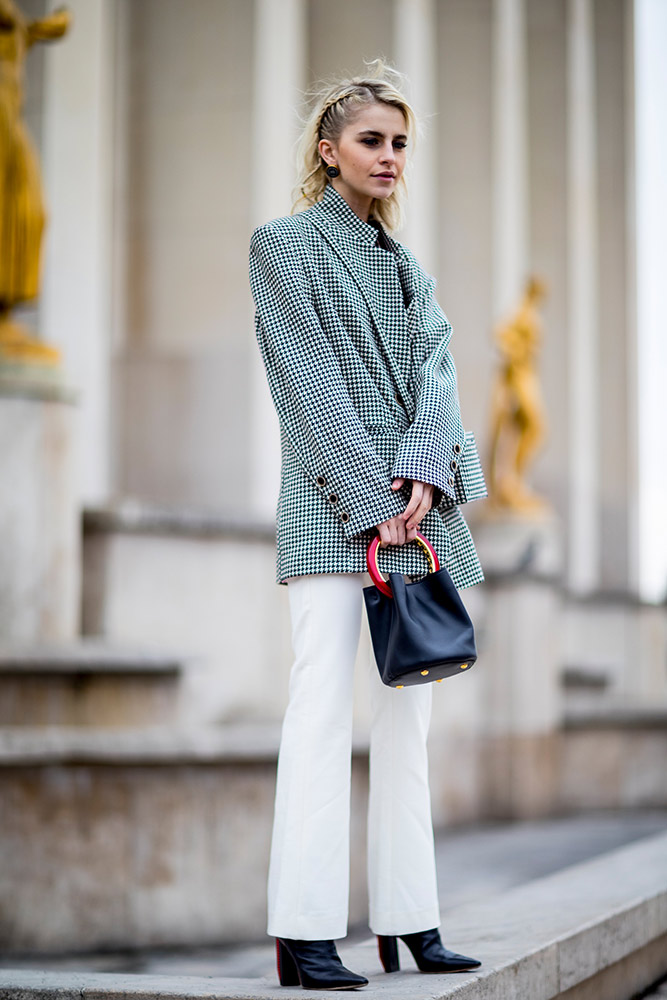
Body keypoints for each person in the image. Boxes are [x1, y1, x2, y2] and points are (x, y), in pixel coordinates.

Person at [248, 59, 487, 991]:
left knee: (407, 723)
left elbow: (439, 371)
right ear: (327, 149)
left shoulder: (408, 267)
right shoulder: (284, 246)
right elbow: (306, 392)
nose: (388, 157)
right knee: (318, 715)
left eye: (398, 143)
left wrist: (423, 473)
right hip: (332, 513)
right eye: (370, 140)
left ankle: (410, 919)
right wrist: (377, 503)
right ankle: (303, 934)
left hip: (416, 516)